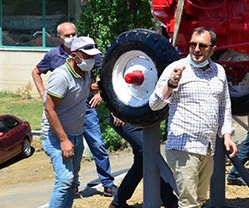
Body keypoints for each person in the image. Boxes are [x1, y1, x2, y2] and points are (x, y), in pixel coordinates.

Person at [149, 27, 238, 208]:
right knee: (188, 202)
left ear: (212, 49)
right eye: (193, 44)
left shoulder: (219, 71)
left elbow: (224, 106)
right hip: (183, 146)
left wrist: (227, 135)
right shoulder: (176, 69)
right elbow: (154, 104)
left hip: (208, 147)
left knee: (199, 200)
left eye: (202, 46)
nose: (196, 49)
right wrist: (170, 84)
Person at [32, 22, 117, 197]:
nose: (71, 38)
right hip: (64, 118)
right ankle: (73, 187)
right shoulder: (54, 58)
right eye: (67, 35)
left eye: (74, 34)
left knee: (97, 146)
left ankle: (107, 183)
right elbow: (36, 73)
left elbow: (100, 77)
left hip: (86, 110)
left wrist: (100, 92)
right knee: (66, 175)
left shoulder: (88, 54)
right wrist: (43, 94)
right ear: (59, 38)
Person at [41, 36, 101, 207]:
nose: (91, 59)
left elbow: (79, 89)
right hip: (56, 136)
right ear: (75, 55)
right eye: (87, 55)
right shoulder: (61, 77)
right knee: (65, 180)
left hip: (76, 134)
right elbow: (49, 109)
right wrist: (63, 140)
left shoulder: (86, 72)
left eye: (92, 56)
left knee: (72, 182)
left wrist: (95, 88)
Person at [108, 115, 178, 208]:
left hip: (141, 119)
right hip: (125, 118)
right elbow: (109, 99)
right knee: (150, 155)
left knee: (140, 162)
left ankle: (118, 202)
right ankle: (170, 201)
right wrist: (116, 112)